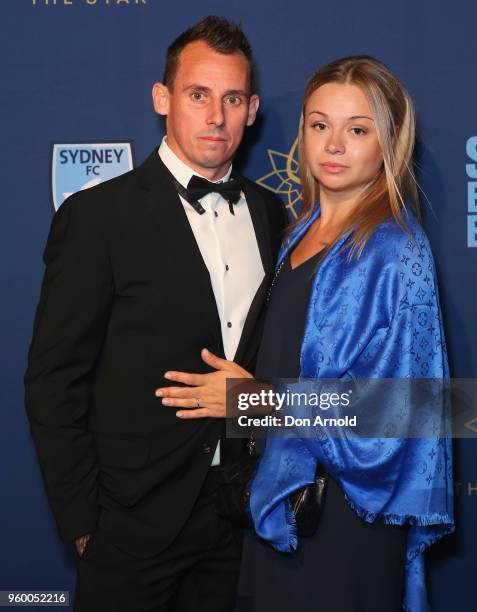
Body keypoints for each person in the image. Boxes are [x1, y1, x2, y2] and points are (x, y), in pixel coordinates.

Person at [157, 56, 454, 612]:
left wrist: (254, 403)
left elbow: (400, 413)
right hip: (279, 504)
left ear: (390, 142)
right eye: (320, 126)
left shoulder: (397, 251)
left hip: (344, 516)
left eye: (357, 129)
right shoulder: (300, 230)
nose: (334, 145)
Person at [24, 15, 287, 612]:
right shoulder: (97, 218)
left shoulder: (275, 215)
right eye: (199, 95)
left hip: (245, 516)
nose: (216, 116)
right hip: (132, 524)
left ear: (252, 109)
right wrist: (85, 521)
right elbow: (53, 380)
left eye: (233, 98)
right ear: (163, 98)